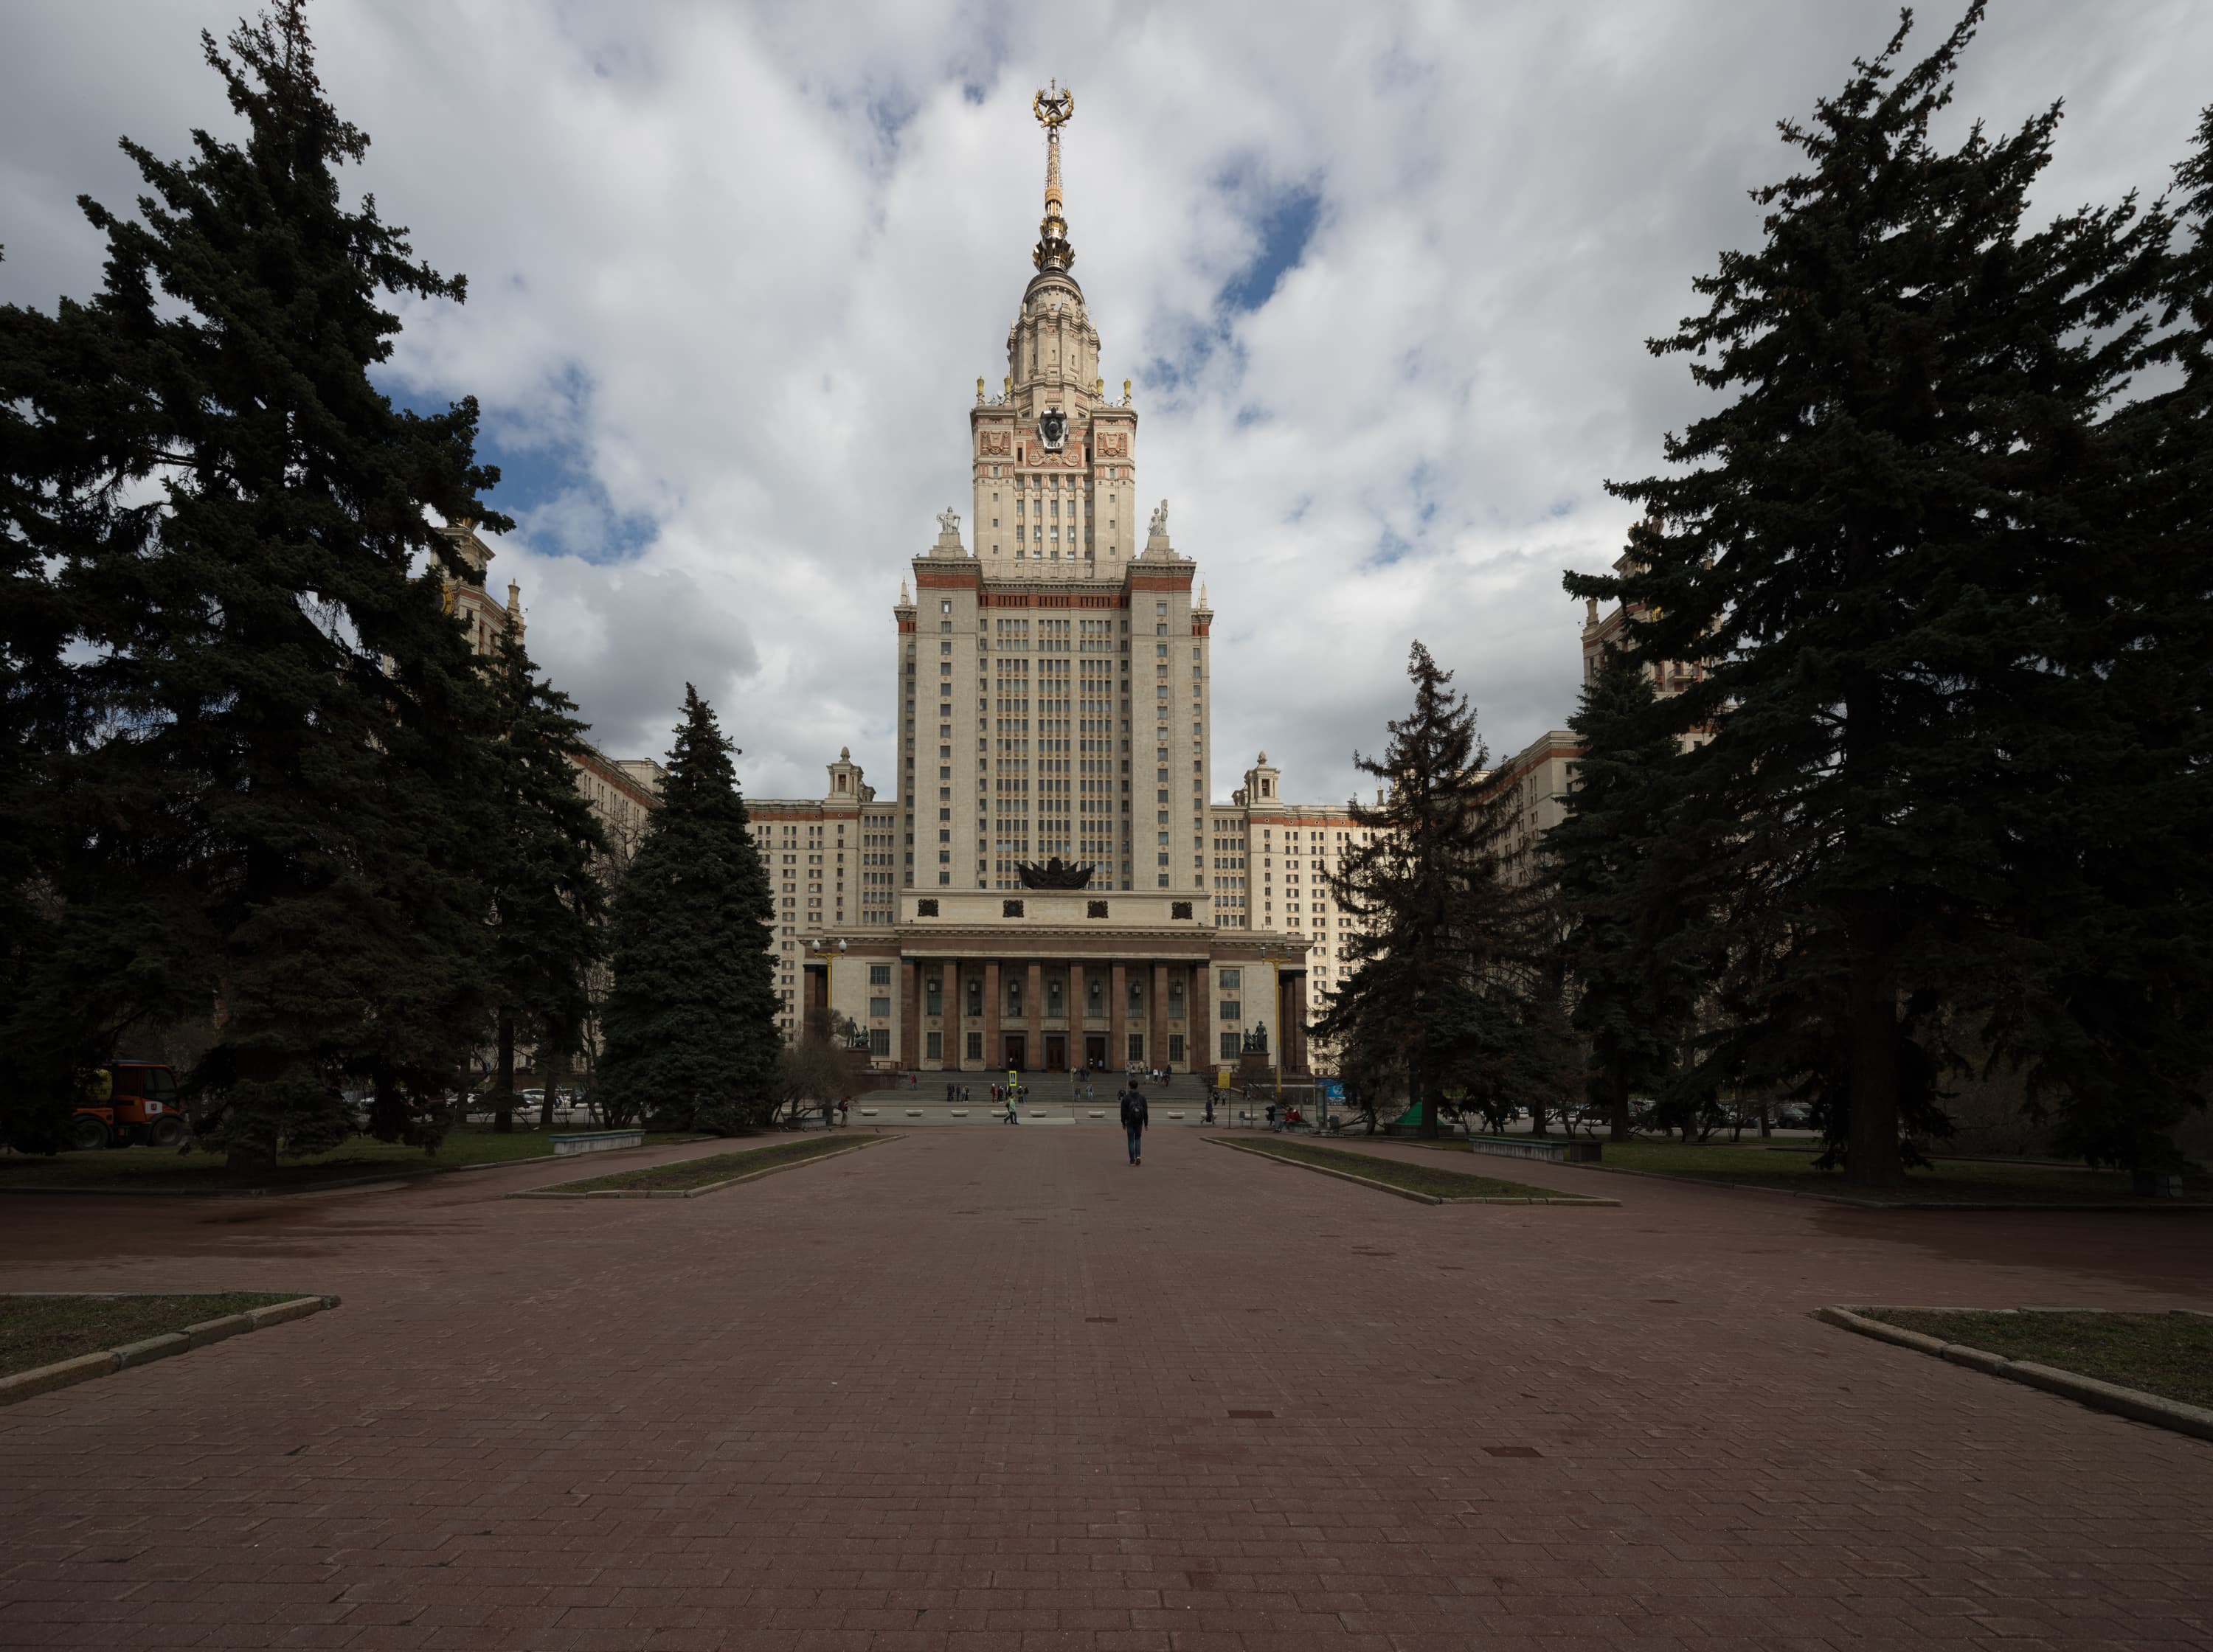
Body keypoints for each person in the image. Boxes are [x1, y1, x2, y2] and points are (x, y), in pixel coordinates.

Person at [1120, 1082, 1149, 1165]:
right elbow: (1145, 1111)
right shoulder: (1142, 1097)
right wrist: (1146, 1123)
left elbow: (1123, 1112)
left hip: (1130, 1121)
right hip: (1139, 1121)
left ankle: (1132, 1160)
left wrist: (1123, 1122)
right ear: (1137, 1086)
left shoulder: (1126, 1097)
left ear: (1130, 1086)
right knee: (1138, 1139)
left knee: (1131, 1140)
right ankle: (1138, 1156)